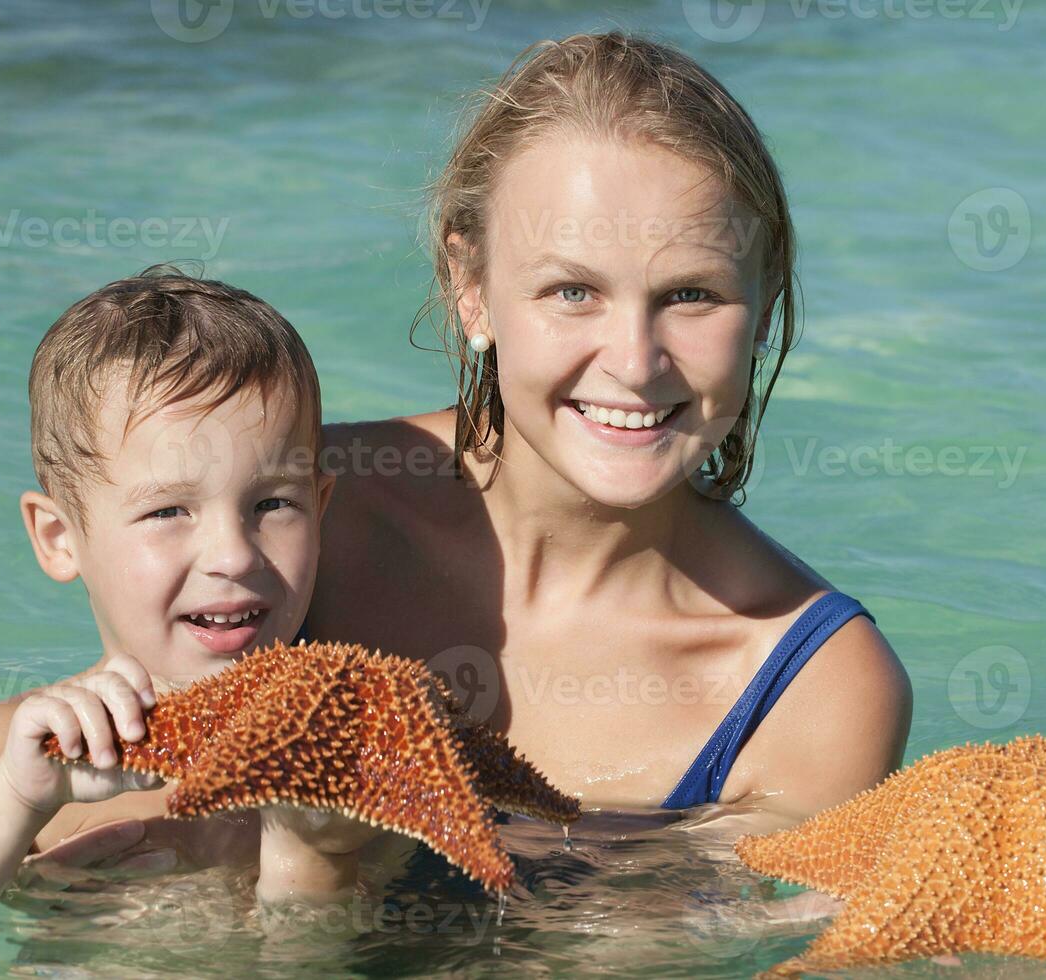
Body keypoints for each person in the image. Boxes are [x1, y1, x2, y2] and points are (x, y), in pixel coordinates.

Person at [304, 32, 912, 821]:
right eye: (571, 292)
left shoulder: (809, 692)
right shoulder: (300, 512)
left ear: (763, 303)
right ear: (471, 287)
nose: (634, 362)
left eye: (690, 294)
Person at [0, 268, 365, 909]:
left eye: (273, 503)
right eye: (168, 512)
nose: (233, 554)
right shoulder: (15, 745)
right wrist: (16, 798)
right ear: (60, 538)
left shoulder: (357, 752)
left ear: (320, 508)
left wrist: (308, 855)